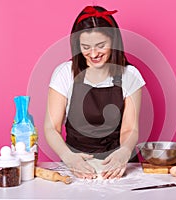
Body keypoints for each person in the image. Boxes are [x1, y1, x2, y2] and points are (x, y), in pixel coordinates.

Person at [44, 5, 145, 179]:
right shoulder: (65, 74)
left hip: (118, 164)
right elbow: (51, 128)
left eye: (100, 46)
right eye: (85, 47)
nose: (93, 53)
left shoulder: (130, 75)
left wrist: (125, 152)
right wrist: (68, 157)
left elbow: (129, 129)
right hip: (77, 163)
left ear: (113, 41)